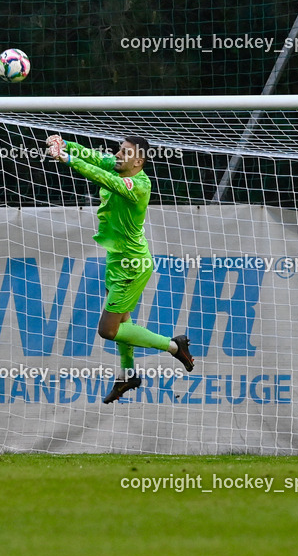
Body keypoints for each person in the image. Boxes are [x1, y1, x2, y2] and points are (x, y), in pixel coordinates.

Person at [46, 134, 193, 403]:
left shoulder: (137, 185)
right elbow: (94, 157)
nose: (117, 155)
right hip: (116, 261)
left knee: (108, 330)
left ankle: (174, 346)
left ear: (138, 161)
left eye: (124, 152)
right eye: (118, 150)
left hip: (132, 266)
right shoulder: (117, 164)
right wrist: (68, 145)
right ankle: (128, 375)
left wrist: (67, 159)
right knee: (123, 320)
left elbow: (108, 181)